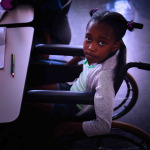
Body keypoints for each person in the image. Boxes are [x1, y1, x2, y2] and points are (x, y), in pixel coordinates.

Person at [32, 9, 138, 139]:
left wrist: (69, 126)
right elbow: (85, 54)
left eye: (101, 42)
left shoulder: (104, 78)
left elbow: (103, 126)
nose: (90, 48)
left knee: (26, 99)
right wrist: (67, 67)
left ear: (115, 46)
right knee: (30, 91)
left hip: (75, 105)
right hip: (73, 86)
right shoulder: (103, 52)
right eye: (88, 38)